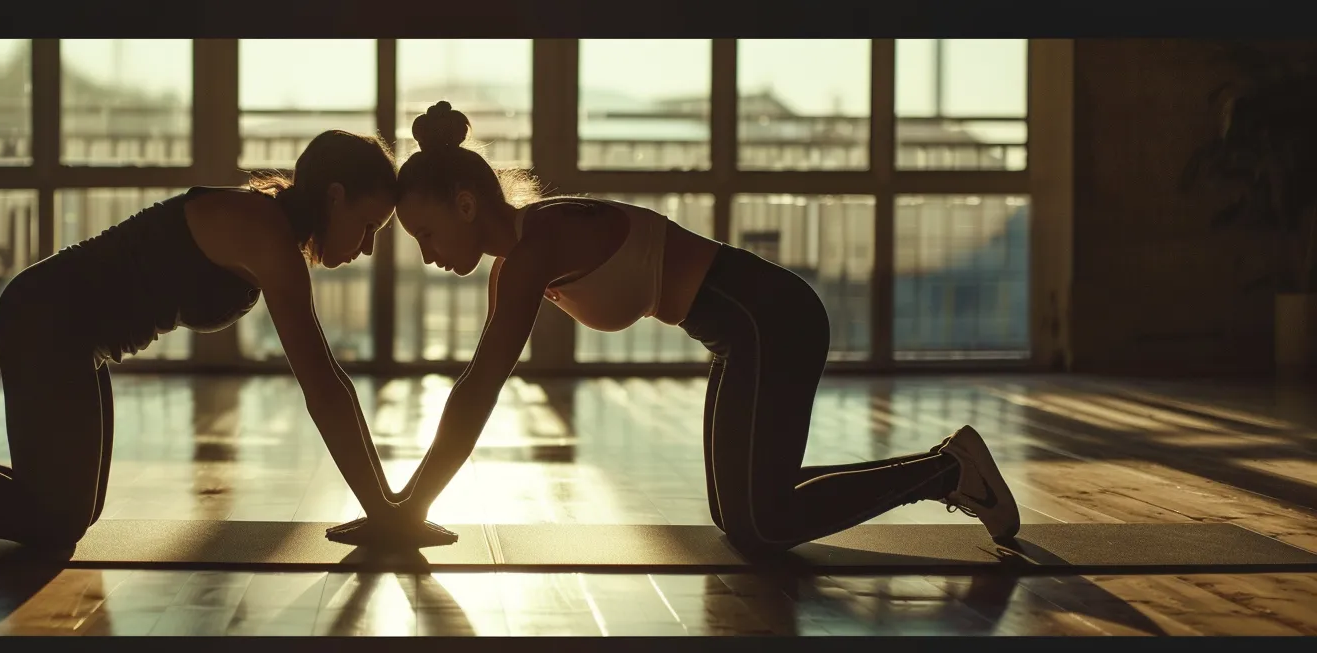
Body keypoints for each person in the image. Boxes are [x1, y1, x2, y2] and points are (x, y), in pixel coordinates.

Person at [328, 102, 1021, 555]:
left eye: (425, 232)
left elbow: (480, 386)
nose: (424, 253)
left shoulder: (534, 246)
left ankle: (949, 470)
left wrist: (406, 509)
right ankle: (949, 467)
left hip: (768, 317)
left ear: (466, 201)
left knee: (759, 522)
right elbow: (478, 385)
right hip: (739, 330)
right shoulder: (521, 253)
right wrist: (403, 507)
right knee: (740, 511)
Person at [0, 130, 429, 549]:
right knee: (52, 520)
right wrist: (386, 512)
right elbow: (322, 384)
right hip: (46, 320)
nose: (367, 248)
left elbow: (329, 385)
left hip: (74, 336)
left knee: (67, 510)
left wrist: (389, 509)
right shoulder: (264, 232)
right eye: (369, 226)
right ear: (334, 196)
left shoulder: (271, 231)